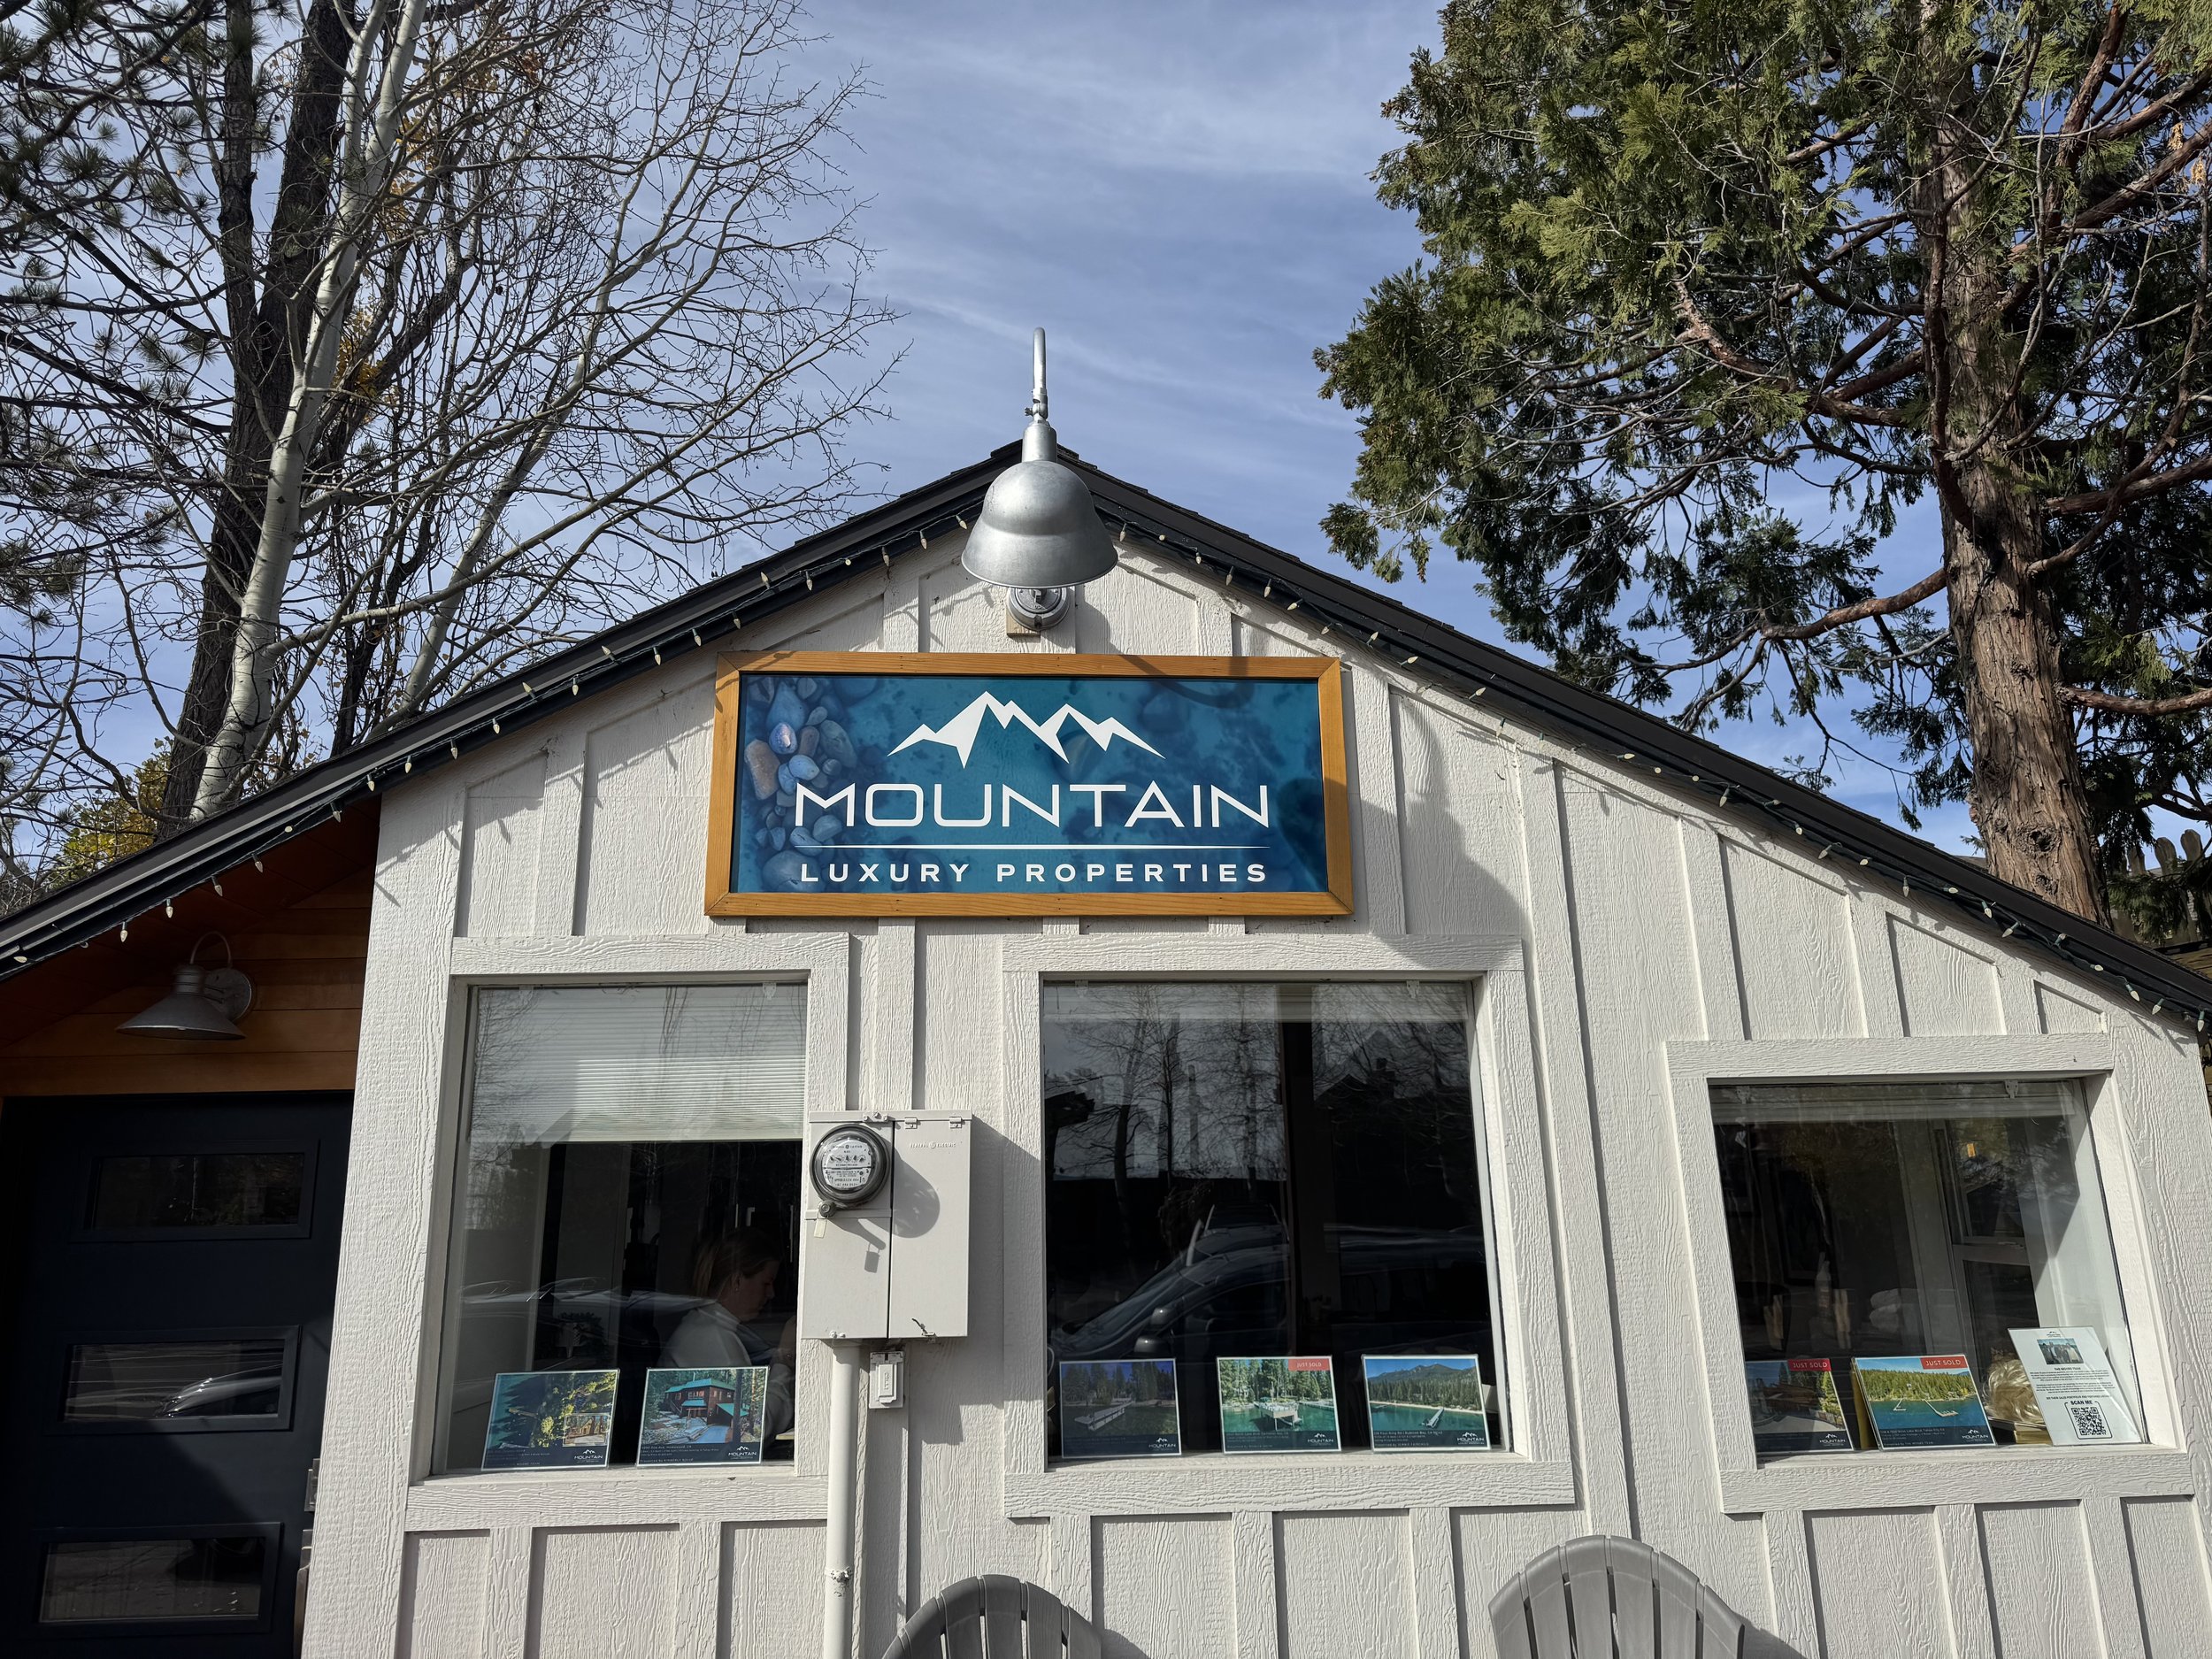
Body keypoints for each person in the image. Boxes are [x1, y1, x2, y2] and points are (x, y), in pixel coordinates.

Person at [659, 1229, 795, 1440]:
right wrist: (783, 1362)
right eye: (766, 1283)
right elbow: (754, 1428)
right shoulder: (710, 1336)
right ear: (737, 1281)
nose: (771, 1294)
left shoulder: (712, 1327)